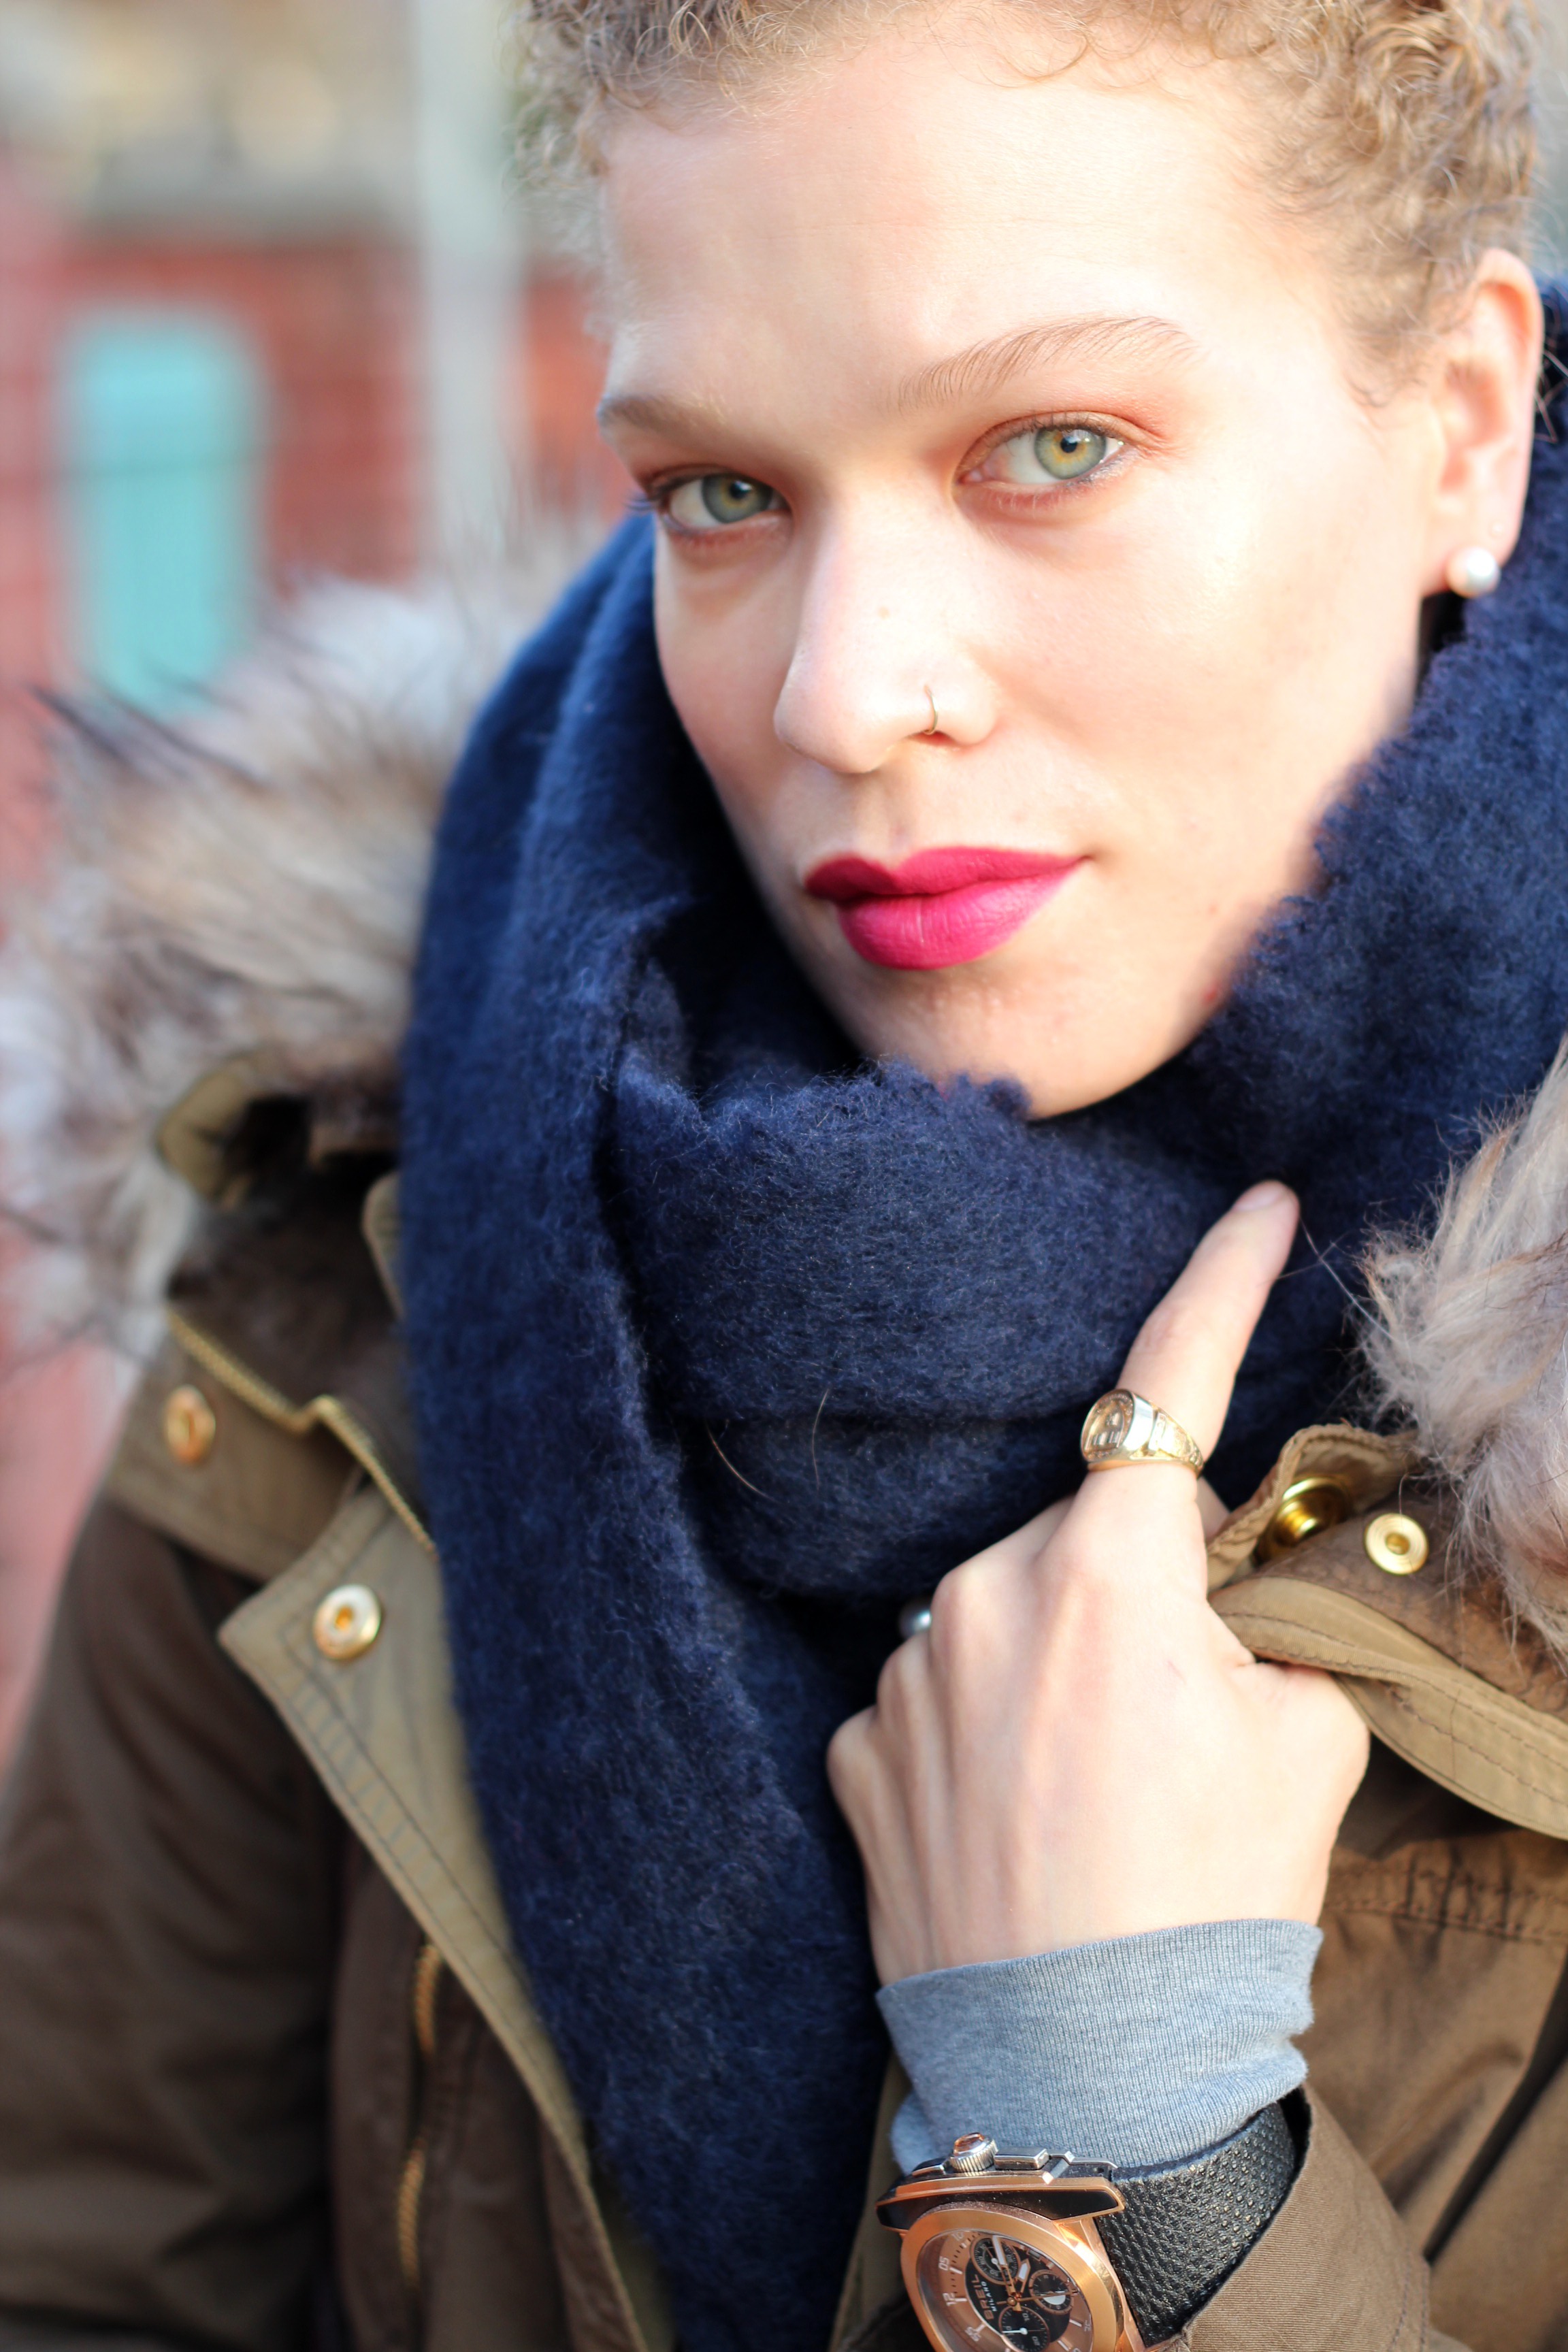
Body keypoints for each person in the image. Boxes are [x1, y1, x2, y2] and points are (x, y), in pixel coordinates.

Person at [1, 0, 1566, 2346]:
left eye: (1052, 447)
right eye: (723, 495)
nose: (841, 692)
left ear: (1460, 426)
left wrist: (1132, 2132)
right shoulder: (371, 1231)